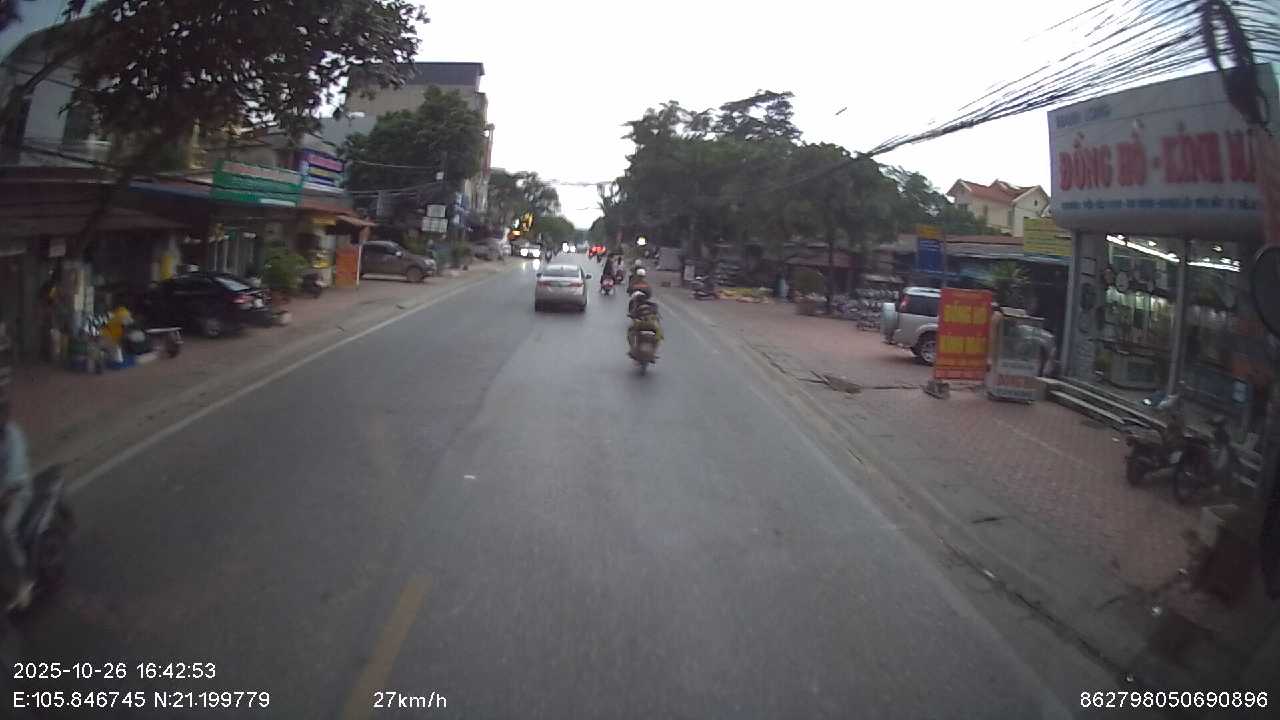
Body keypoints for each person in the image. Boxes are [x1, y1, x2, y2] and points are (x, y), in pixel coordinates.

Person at [0, 331, 33, 612]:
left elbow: (11, 480)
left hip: (17, 493)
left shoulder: (12, 437)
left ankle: (22, 581)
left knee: (5, 531)